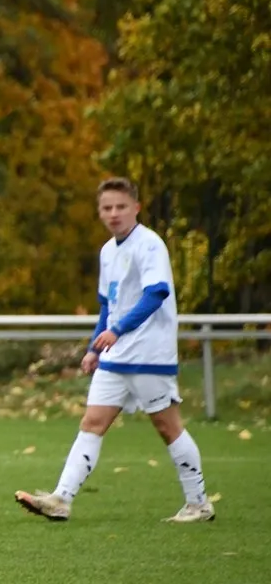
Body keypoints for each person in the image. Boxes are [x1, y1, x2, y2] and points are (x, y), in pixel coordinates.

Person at [15, 177, 212, 523]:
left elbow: (156, 294)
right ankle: (61, 499)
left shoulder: (149, 244)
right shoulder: (108, 250)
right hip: (115, 356)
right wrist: (95, 347)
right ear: (99, 212)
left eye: (121, 206)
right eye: (107, 208)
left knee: (168, 426)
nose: (114, 213)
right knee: (92, 422)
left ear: (136, 207)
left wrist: (117, 331)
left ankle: (198, 503)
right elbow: (109, 304)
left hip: (149, 353)